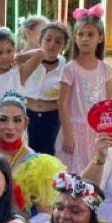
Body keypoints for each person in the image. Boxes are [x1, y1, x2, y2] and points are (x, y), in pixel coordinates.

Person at [0, 93, 65, 223]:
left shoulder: (39, 167)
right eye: (3, 119)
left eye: (17, 120)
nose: (10, 126)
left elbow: (45, 216)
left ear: (26, 123)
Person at [57, 5, 112, 174]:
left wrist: (109, 130)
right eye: (80, 34)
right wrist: (68, 134)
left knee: (97, 172)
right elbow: (62, 102)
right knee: (73, 174)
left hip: (97, 132)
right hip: (75, 130)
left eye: (90, 34)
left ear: (100, 38)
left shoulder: (105, 69)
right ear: (75, 38)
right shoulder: (70, 69)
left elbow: (108, 103)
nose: (85, 39)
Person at [0, 27, 43, 121]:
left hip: (15, 128)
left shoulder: (18, 75)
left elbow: (40, 53)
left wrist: (20, 56)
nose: (5, 56)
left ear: (14, 50)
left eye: (9, 51)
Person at [22, 21, 68, 156]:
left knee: (48, 157)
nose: (52, 44)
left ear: (64, 46)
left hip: (52, 119)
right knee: (26, 156)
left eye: (58, 42)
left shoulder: (66, 67)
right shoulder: (28, 60)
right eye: (48, 39)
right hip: (27, 115)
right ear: (40, 40)